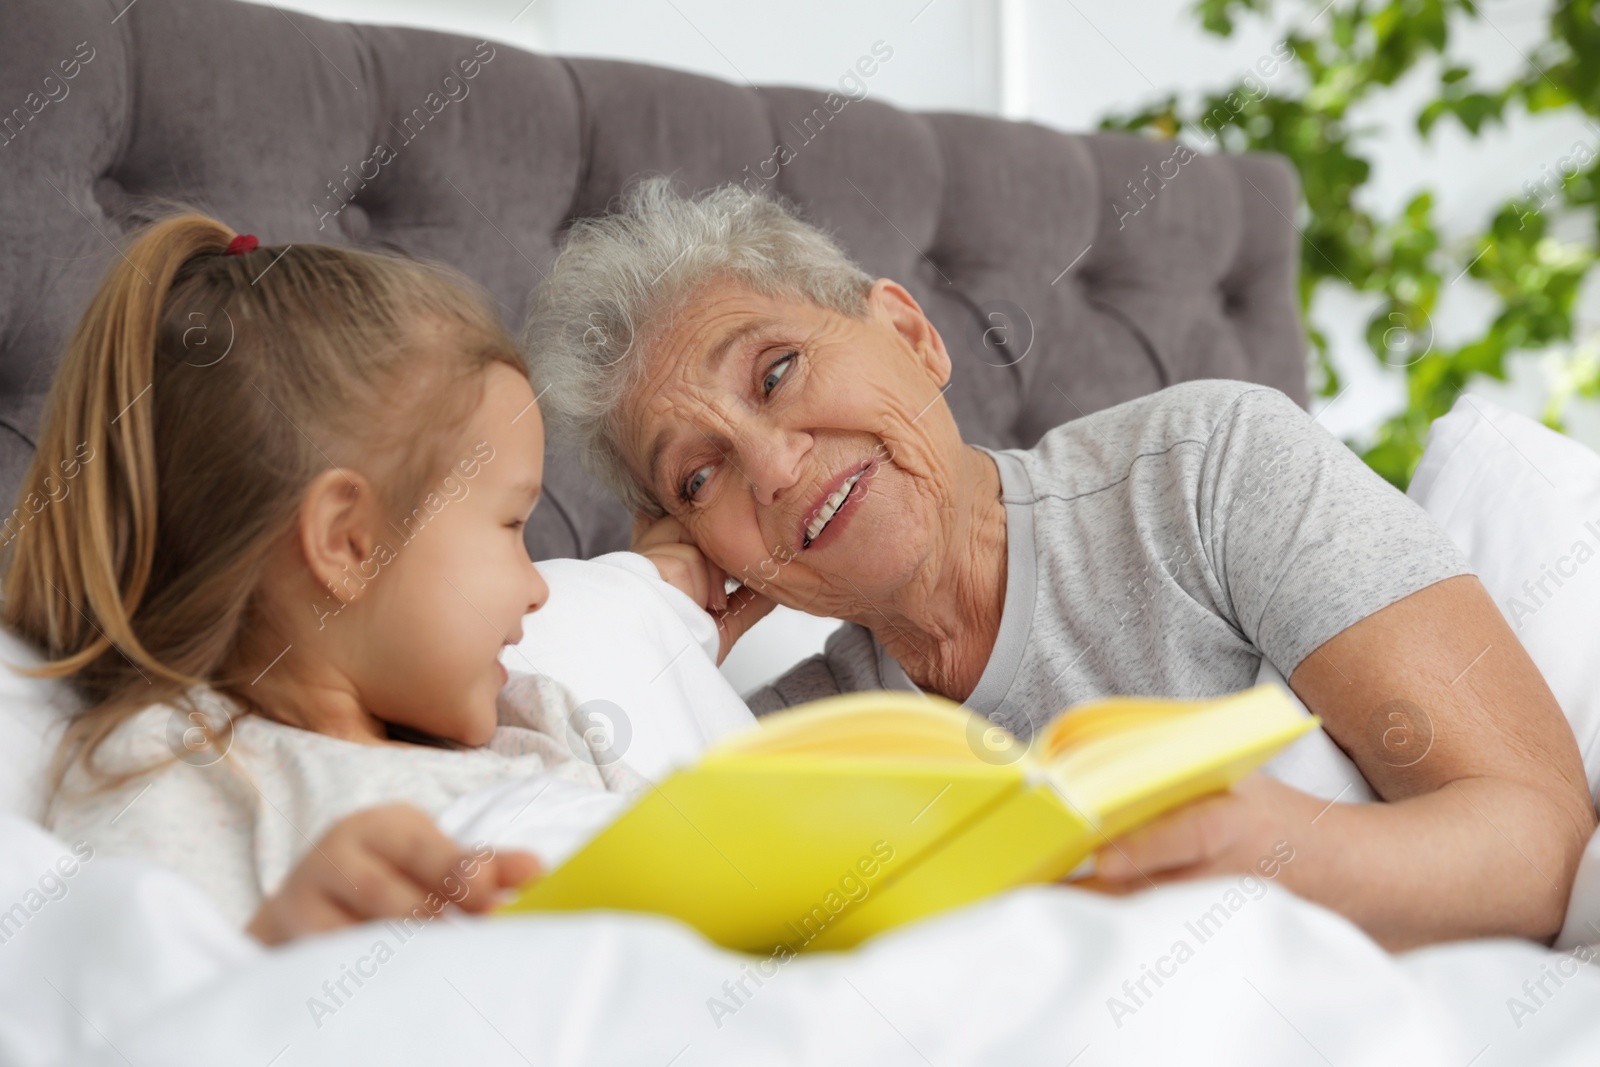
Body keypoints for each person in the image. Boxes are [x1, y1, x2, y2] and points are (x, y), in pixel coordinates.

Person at [524, 178, 1597, 950]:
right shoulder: (791, 744)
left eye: (777, 370)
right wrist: (653, 622)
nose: (772, 465)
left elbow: (1541, 836)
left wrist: (1276, 853)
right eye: (699, 478)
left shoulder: (1205, 468)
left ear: (910, 332)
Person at [6, 214, 717, 945]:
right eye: (511, 525)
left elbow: (717, 870)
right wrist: (279, 943)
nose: (537, 587)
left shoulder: (536, 719)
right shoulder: (186, 771)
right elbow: (157, 1010)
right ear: (348, 543)